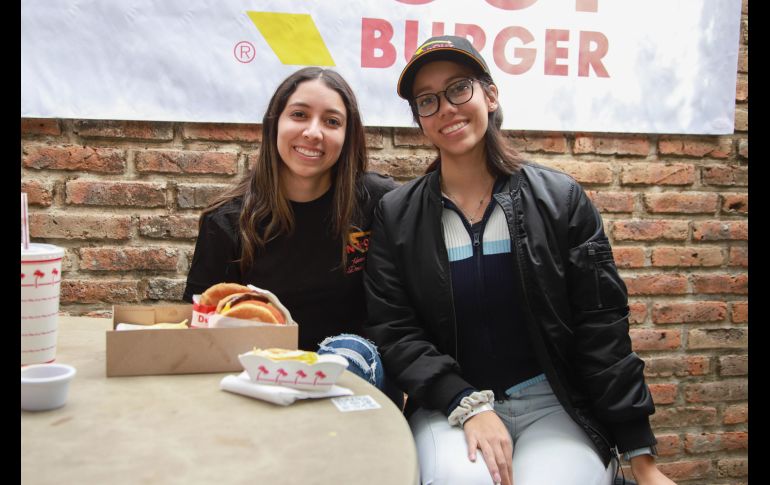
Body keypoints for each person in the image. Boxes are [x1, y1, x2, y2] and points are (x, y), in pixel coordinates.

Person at [363, 36, 677, 485]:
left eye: (459, 89)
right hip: (448, 407)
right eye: (427, 100)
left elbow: (602, 327)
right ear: (420, 120)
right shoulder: (397, 215)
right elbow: (395, 332)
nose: (446, 108)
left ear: (490, 95)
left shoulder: (560, 200)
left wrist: (641, 458)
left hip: (552, 405)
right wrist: (466, 402)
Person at [183, 67, 402, 406]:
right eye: (299, 115)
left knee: (349, 350)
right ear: (275, 123)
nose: (313, 132)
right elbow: (202, 327)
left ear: (348, 136)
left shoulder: (378, 202)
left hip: (358, 381)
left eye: (331, 121)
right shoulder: (226, 221)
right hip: (264, 382)